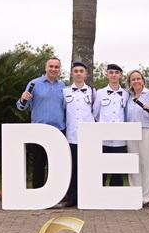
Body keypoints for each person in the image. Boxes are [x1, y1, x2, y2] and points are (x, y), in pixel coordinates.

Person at [16, 57, 65, 190]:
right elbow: (21, 107)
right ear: (45, 68)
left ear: (60, 69)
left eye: (56, 67)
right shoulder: (34, 84)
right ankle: (37, 193)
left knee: (56, 166)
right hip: (39, 131)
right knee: (39, 164)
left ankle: (55, 193)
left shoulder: (63, 86)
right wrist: (22, 99)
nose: (53, 69)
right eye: (51, 66)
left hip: (59, 131)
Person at [125, 69, 149, 207]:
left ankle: (146, 197)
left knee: (147, 163)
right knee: (134, 164)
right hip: (131, 132)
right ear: (130, 82)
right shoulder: (128, 96)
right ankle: (135, 193)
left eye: (138, 79)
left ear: (142, 80)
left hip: (146, 130)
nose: (136, 81)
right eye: (133, 79)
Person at [62, 61, 94, 207]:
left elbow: (96, 113)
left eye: (81, 71)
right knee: (73, 168)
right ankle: (72, 197)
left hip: (88, 137)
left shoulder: (93, 92)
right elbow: (63, 111)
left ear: (86, 74)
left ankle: (87, 196)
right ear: (72, 74)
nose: (79, 73)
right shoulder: (65, 92)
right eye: (76, 71)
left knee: (88, 167)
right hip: (72, 136)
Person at [92, 63, 128, 186]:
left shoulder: (126, 94)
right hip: (103, 139)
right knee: (101, 170)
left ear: (120, 75)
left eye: (116, 73)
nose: (114, 75)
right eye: (111, 72)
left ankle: (116, 195)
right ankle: (99, 195)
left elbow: (126, 114)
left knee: (117, 170)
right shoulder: (100, 93)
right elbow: (95, 114)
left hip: (120, 140)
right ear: (107, 75)